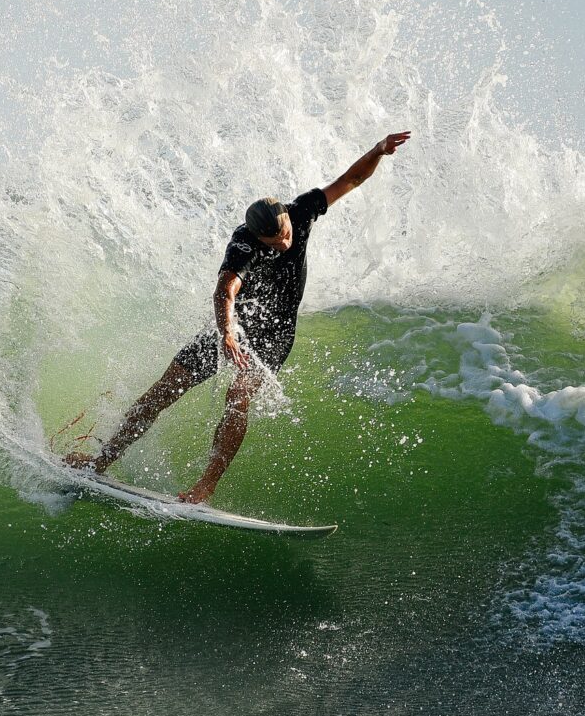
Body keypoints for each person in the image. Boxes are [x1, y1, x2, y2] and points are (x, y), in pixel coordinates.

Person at [67, 131, 412, 504]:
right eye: (274, 241)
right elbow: (225, 290)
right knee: (164, 390)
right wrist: (227, 333)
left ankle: (205, 487)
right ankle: (100, 462)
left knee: (239, 395)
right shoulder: (244, 244)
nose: (283, 244)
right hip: (235, 326)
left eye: (284, 234)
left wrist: (378, 150)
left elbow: (350, 180)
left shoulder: (300, 210)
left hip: (275, 335)